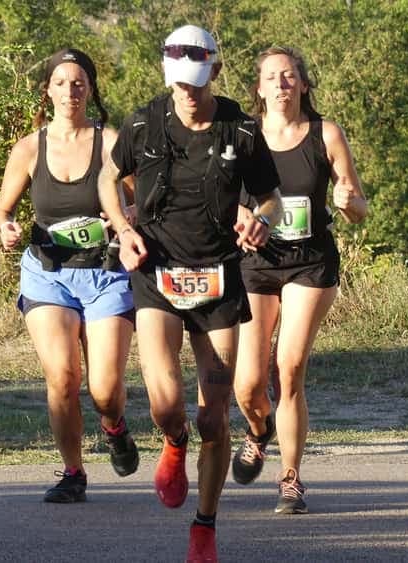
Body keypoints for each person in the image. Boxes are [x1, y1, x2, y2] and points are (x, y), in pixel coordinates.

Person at [98, 25, 284, 562]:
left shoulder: (242, 130)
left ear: (216, 75)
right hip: (156, 270)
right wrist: (124, 230)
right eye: (178, 84)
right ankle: (172, 442)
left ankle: (204, 527)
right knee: (166, 404)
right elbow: (109, 180)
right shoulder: (140, 122)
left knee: (214, 415)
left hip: (219, 276)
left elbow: (270, 197)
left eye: (197, 85)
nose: (187, 94)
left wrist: (261, 222)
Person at [0, 48, 139, 503]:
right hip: (47, 274)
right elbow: (2, 210)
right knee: (62, 377)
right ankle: (73, 473)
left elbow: (140, 205)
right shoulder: (30, 147)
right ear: (48, 90)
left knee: (105, 389)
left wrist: (120, 218)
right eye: (61, 83)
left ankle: (114, 426)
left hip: (105, 274)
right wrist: (6, 229)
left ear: (90, 90)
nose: (70, 91)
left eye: (79, 83)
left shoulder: (112, 142)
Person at [230, 46, 368, 514]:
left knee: (288, 369)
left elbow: (358, 209)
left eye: (289, 76)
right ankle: (256, 430)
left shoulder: (326, 133)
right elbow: (219, 197)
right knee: (247, 385)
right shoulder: (244, 136)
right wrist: (240, 217)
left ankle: (290, 479)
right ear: (259, 88)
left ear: (304, 85)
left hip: (311, 263)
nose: (281, 84)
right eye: (271, 77)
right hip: (256, 263)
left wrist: (349, 202)